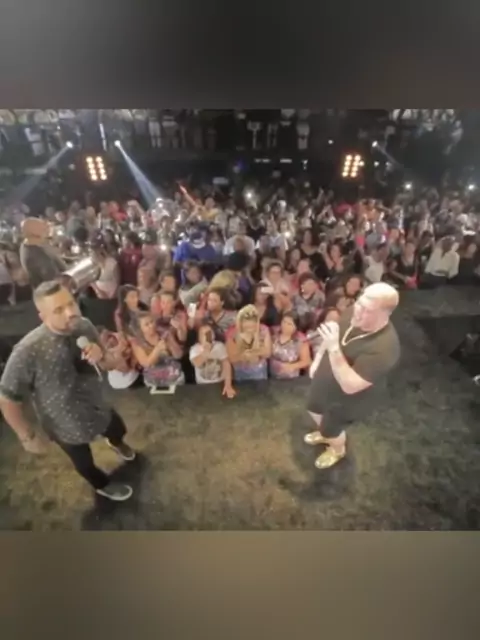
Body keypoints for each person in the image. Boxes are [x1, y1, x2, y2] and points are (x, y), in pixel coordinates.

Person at [0, 282, 136, 501]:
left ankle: (116, 443)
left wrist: (102, 355)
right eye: (59, 310)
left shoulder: (84, 326)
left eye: (71, 303)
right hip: (63, 420)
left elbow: (109, 364)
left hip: (96, 405)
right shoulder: (27, 351)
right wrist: (26, 436)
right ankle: (101, 485)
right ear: (43, 316)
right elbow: (7, 398)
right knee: (84, 463)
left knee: (118, 429)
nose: (71, 312)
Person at [304, 282, 401, 470]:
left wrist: (333, 347)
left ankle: (337, 449)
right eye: (359, 303)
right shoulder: (354, 313)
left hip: (348, 398)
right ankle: (324, 433)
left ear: (384, 314)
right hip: (327, 378)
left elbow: (350, 386)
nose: (357, 311)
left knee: (332, 428)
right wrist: (317, 360)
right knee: (313, 408)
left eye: (367, 310)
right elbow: (332, 335)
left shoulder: (385, 349)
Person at [226, 304, 272, 382]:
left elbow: (268, 353)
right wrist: (244, 356)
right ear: (240, 324)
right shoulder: (232, 333)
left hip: (260, 373)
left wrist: (253, 352)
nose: (250, 330)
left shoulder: (264, 330)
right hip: (240, 373)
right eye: (247, 327)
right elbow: (232, 358)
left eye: (252, 327)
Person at [189, 323, 236, 397]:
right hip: (202, 385)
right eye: (204, 334)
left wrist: (228, 385)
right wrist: (205, 352)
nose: (208, 336)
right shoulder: (195, 349)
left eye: (209, 332)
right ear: (199, 337)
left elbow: (226, 365)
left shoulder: (220, 346)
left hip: (219, 383)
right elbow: (196, 363)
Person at [19, 217, 67, 289]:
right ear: (34, 233)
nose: (47, 230)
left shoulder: (33, 244)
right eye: (43, 228)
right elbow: (54, 279)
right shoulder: (35, 255)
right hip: (54, 292)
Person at [270, 312, 311, 379]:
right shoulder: (273, 333)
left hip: (290, 377)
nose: (285, 325)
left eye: (289, 324)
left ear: (296, 327)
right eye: (284, 322)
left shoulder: (301, 340)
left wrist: (291, 366)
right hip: (271, 375)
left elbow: (306, 361)